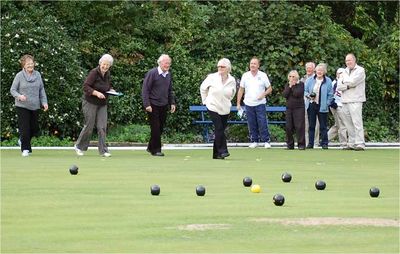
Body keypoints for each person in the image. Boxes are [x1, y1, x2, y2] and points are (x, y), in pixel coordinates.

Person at [74, 54, 115, 157]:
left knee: (102, 127)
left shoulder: (107, 74)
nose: (105, 67)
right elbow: (85, 86)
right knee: (89, 125)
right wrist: (96, 93)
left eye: (107, 65)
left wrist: (111, 90)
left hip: (102, 103)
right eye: (104, 64)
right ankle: (79, 146)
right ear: (100, 63)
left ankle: (104, 151)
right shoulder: (93, 72)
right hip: (90, 102)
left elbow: (107, 86)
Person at [10, 54, 48, 157]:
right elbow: (13, 90)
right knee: (25, 128)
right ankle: (25, 149)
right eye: (28, 64)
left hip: (35, 106)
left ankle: (22, 140)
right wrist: (19, 96)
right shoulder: (19, 76)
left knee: (34, 129)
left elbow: (41, 90)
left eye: (32, 63)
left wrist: (44, 102)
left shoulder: (38, 75)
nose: (31, 65)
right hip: (22, 106)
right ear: (23, 65)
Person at [200, 58, 236, 159]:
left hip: (225, 107)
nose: (220, 68)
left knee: (220, 130)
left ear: (228, 68)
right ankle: (223, 151)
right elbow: (203, 88)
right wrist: (205, 101)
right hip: (212, 105)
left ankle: (216, 154)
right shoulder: (212, 77)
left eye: (222, 67)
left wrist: (227, 99)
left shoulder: (232, 80)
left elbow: (233, 93)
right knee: (219, 127)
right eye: (219, 66)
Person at [142, 54, 176, 156]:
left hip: (164, 104)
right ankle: (156, 150)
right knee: (155, 127)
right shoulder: (152, 73)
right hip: (153, 105)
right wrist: (147, 104)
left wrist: (172, 102)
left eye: (169, 63)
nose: (167, 65)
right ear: (160, 63)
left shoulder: (168, 75)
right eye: (166, 63)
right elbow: (145, 89)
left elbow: (170, 90)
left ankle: (150, 147)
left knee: (160, 127)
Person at [236, 57, 272, 149]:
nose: (252, 65)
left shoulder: (263, 75)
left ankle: (266, 141)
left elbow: (269, 89)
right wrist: (238, 103)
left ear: (258, 65)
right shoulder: (245, 75)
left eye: (254, 64)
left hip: (260, 104)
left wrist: (263, 94)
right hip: (248, 103)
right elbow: (241, 89)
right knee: (251, 123)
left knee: (262, 122)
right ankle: (254, 140)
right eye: (251, 63)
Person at [337, 53, 366, 151]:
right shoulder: (344, 71)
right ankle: (351, 143)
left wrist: (345, 83)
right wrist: (348, 84)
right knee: (348, 123)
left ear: (354, 60)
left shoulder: (360, 70)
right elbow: (339, 86)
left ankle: (360, 143)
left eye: (350, 60)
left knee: (357, 122)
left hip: (356, 100)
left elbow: (354, 82)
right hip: (345, 100)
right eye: (346, 61)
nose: (348, 62)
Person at [304, 63, 333, 149]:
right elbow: (305, 91)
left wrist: (327, 103)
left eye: (321, 70)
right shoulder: (309, 80)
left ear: (324, 72)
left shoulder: (328, 81)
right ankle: (310, 143)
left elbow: (330, 94)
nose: (319, 72)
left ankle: (324, 143)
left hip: (322, 106)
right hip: (312, 105)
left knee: (323, 126)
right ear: (315, 71)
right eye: (318, 70)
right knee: (311, 126)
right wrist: (309, 96)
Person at [283, 70, 305, 150]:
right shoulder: (287, 85)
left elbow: (297, 94)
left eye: (293, 76)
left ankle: (301, 145)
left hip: (299, 108)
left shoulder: (301, 84)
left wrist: (292, 86)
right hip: (289, 108)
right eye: (290, 76)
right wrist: (289, 86)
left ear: (297, 77)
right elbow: (285, 95)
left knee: (299, 126)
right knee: (288, 127)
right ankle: (290, 145)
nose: (291, 78)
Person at [301, 62, 320, 147]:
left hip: (315, 103)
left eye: (310, 68)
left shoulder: (317, 78)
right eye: (307, 67)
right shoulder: (302, 79)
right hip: (304, 104)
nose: (308, 69)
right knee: (305, 125)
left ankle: (315, 142)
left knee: (315, 124)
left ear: (314, 69)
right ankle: (307, 142)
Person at [328, 68, 348, 148]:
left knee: (337, 125)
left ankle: (325, 139)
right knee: (342, 125)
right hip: (336, 106)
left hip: (344, 105)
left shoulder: (346, 83)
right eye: (339, 73)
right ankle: (343, 143)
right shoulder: (334, 83)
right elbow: (331, 95)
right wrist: (333, 104)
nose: (340, 75)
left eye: (342, 73)